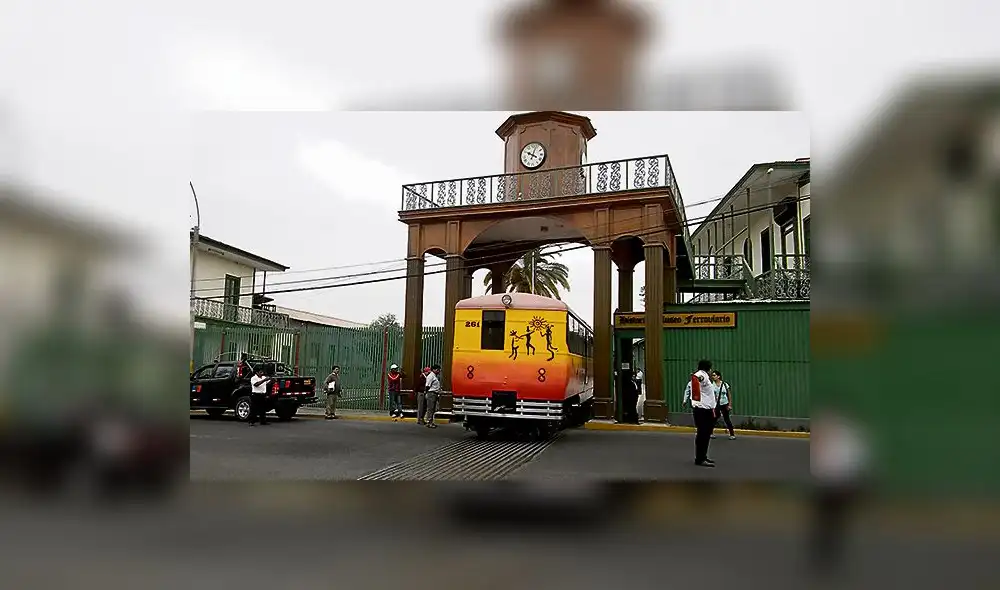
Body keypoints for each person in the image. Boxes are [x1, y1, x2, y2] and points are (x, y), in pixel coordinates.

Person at [688, 359, 717, 467]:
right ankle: (700, 459)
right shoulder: (702, 375)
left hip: (707, 410)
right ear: (707, 368)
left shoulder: (705, 376)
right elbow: (697, 378)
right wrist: (697, 378)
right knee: (703, 434)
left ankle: (703, 456)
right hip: (702, 410)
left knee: (706, 434)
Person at [710, 369, 736, 440]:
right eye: (712, 375)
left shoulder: (724, 384)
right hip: (716, 405)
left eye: (714, 375)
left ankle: (732, 434)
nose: (713, 377)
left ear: (718, 376)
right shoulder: (712, 385)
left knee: (727, 419)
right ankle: (711, 433)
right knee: (714, 418)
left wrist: (729, 404)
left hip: (725, 403)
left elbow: (729, 395)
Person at [423, 364, 442, 428]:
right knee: (430, 409)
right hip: (431, 393)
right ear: (434, 369)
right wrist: (426, 393)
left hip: (434, 394)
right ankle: (429, 422)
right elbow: (427, 385)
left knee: (433, 409)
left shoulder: (434, 376)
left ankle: (430, 421)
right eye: (438, 370)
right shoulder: (431, 376)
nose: (439, 371)